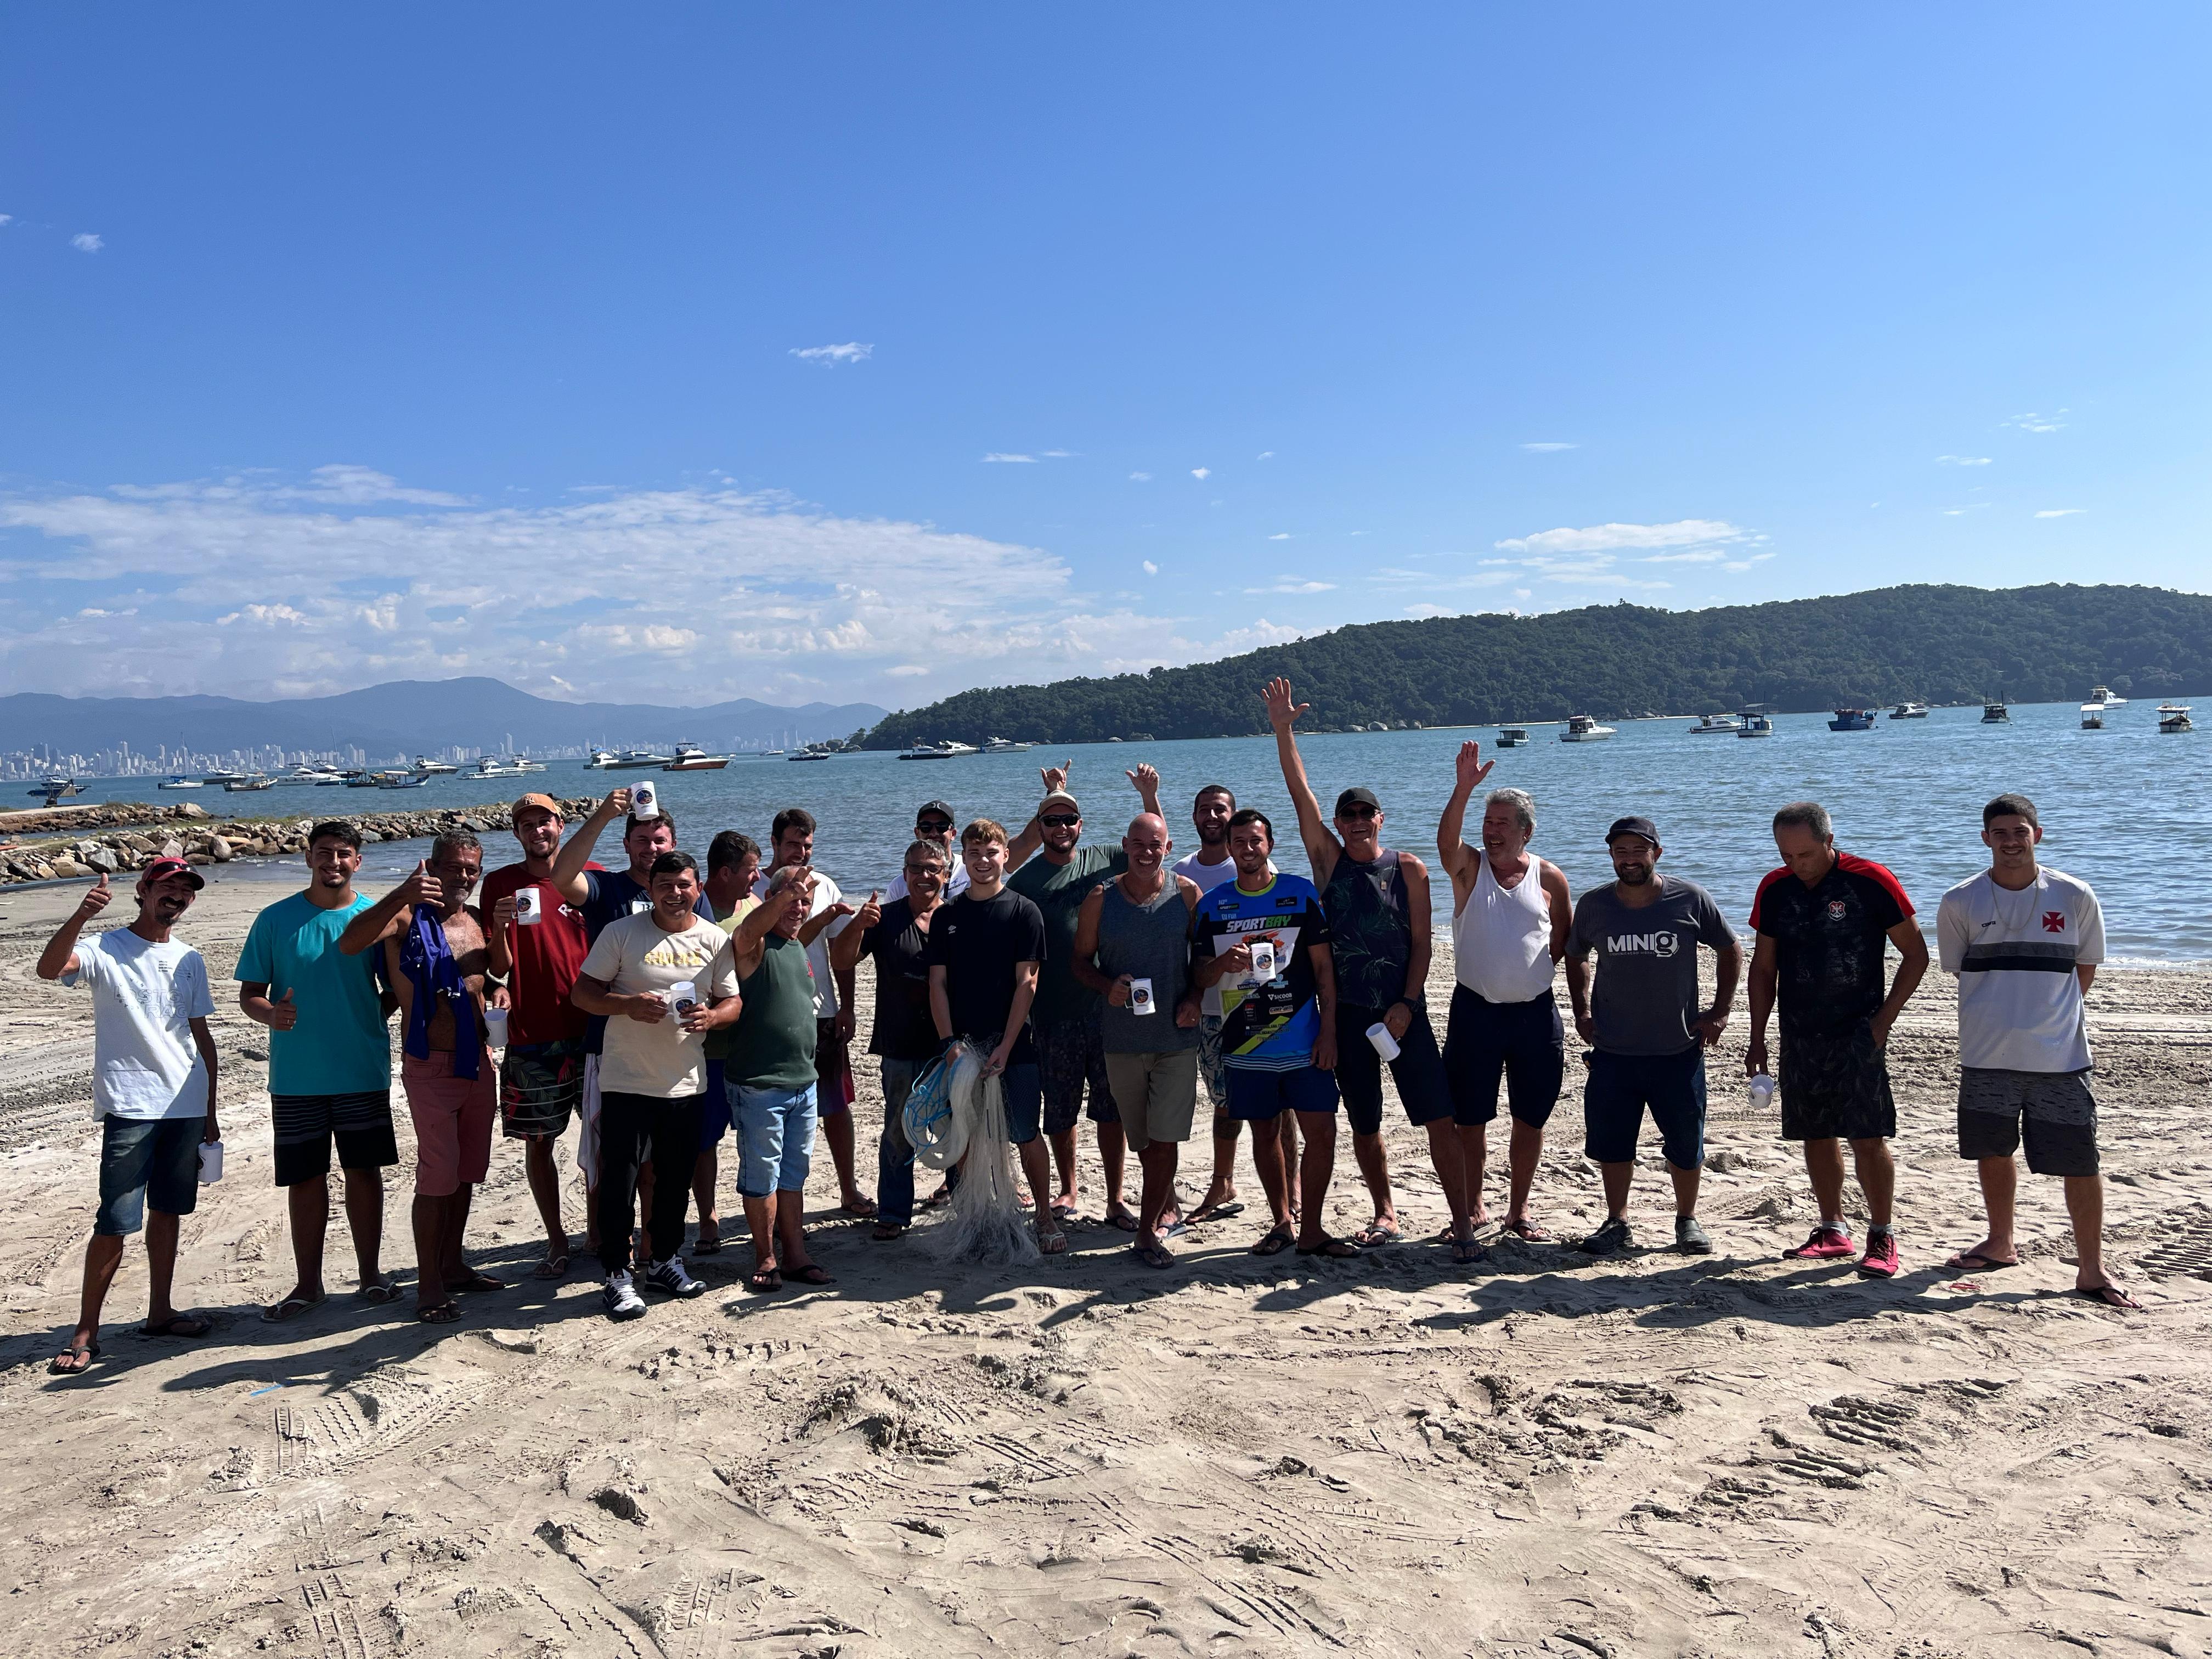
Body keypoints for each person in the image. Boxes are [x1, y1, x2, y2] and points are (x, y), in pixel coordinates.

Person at [1263, 676, 1449, 1250]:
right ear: (1340, 824)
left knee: (1437, 1115)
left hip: (1404, 1012)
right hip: (1346, 1017)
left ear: (1381, 819)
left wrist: (1407, 1005)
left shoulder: (1409, 869)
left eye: (1368, 812)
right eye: (1350, 815)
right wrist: (1282, 731)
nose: (1359, 820)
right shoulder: (1328, 862)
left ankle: (1464, 1214)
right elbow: (1301, 796)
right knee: (1365, 1123)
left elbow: (1423, 944)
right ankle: (1385, 1212)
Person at [1936, 793, 2135, 1309]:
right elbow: (1960, 970)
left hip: (2060, 1058)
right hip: (1986, 1055)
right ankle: (2001, 1242)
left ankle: (2090, 1268)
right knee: (1993, 1151)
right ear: (1985, 838)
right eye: (1999, 833)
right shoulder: (1961, 900)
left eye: (2019, 831)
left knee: (2080, 1160)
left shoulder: (2073, 895)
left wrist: (2047, 1015)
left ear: (2037, 835)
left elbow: (2084, 968)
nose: (2010, 841)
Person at [37, 861, 220, 1374]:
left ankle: (160, 1312)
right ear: (143, 891)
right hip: (131, 1104)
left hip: (185, 1103)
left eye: (185, 891)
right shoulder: (105, 947)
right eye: (167, 887)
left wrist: (210, 1110)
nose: (177, 896)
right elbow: (50, 969)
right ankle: (86, 1331)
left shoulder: (190, 957)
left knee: (169, 1212)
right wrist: (80, 915)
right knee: (115, 1221)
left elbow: (199, 1035)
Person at [1745, 802, 1928, 1278]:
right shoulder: (1775, 887)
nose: (1795, 865)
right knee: (1815, 1131)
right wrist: (1759, 1036)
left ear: (1830, 841)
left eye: (1805, 854)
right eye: (1786, 855)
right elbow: (1764, 968)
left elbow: (1916, 955)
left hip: (1858, 1029)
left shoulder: (1869, 880)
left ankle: (1882, 1235)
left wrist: (1884, 1020)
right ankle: (1832, 1229)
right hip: (1800, 1030)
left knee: (1868, 1134)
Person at [238, 820, 401, 1319]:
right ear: (308, 858)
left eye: (344, 854)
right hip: (296, 1076)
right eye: (325, 853)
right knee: (305, 1179)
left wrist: (375, 1012)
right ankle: (308, 1284)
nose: (334, 862)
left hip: (360, 1068)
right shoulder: (275, 919)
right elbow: (249, 994)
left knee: (363, 1172)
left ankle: (371, 1276)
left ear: (358, 862)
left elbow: (398, 984)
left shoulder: (377, 917)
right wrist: (271, 1014)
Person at [340, 831, 504, 1322]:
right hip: (430, 1063)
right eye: (453, 868)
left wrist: (499, 993)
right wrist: (401, 893)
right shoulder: (405, 916)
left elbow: (483, 977)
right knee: (436, 1177)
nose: (463, 877)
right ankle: (428, 1285)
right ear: (432, 867)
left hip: (478, 1062)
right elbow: (350, 943)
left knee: (466, 1172)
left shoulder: (474, 922)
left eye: (472, 869)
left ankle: (453, 1265)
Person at [571, 850, 741, 1319]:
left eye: (684, 884)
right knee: (619, 1181)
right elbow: (582, 993)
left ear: (698, 888)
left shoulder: (713, 939)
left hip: (685, 1082)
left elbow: (733, 1002)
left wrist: (712, 1017)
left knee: (674, 1180)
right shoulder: (621, 933)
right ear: (650, 889)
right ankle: (616, 1274)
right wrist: (625, 1005)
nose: (675, 893)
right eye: (664, 885)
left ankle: (665, 1260)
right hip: (626, 1080)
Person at [1562, 816, 1741, 1257]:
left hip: (1677, 1050)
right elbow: (1575, 954)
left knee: (1685, 1143)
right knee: (1613, 1142)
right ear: (1611, 856)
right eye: (1621, 852)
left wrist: (1719, 1012)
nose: (1629, 860)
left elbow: (1730, 948)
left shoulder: (1690, 899)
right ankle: (1617, 1222)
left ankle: (1687, 1220)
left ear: (1656, 854)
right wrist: (1582, 1010)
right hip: (1613, 1051)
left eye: (1638, 851)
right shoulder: (1595, 905)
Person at [549, 788, 715, 1256]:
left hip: (674, 1052)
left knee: (664, 1160)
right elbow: (562, 876)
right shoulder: (609, 889)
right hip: (612, 1044)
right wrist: (603, 814)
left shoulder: (688, 897)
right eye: (641, 840)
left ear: (673, 843)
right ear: (627, 845)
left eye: (660, 840)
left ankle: (654, 1243)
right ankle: (607, 1242)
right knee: (614, 1154)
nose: (651, 849)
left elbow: (709, 960)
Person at [1190, 808, 1357, 1258]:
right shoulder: (1212, 905)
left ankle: (1314, 1229)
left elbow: (1325, 970)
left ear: (1271, 845)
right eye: (1239, 842)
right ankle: (1281, 1223)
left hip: (1304, 1040)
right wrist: (1222, 964)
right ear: (1229, 848)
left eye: (1255, 841)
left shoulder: (1300, 894)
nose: (1248, 849)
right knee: (1264, 1135)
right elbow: (1200, 977)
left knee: (1321, 1134)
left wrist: (1330, 1033)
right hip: (1245, 1043)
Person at [1005, 761, 1165, 1227]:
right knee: (1060, 1108)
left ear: (1081, 826)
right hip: (1052, 1012)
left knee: (1110, 1107)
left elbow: (1156, 850)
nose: (1060, 828)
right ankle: (1070, 1189)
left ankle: (1116, 1198)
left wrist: (1149, 797)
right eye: (1050, 821)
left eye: (1068, 820)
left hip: (1109, 1008)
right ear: (1040, 828)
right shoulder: (1026, 882)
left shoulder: (1106, 859)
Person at [1436, 749, 1573, 1253]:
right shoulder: (1470, 869)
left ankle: (1519, 1209)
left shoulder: (1549, 877)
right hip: (1476, 1013)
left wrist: (1530, 976)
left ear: (1525, 832)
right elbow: (1446, 844)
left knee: (1530, 1118)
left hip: (1535, 1016)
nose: (1492, 830)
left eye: (1502, 823)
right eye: (1487, 822)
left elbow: (1562, 942)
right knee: (1470, 1118)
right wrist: (1463, 789)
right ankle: (1472, 1207)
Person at [1070, 814, 1203, 1267]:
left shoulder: (1186, 894)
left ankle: (1147, 1235)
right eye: (1139, 844)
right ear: (1125, 845)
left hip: (1176, 1038)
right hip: (1122, 1040)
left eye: (1157, 844)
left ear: (1169, 848)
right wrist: (1107, 986)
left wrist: (1197, 996)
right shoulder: (1100, 899)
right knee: (1143, 1140)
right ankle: (1163, 1206)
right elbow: (1080, 963)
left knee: (1166, 1140)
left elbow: (1203, 958)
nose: (1147, 852)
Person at [926, 819, 1058, 1251]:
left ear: (1006, 856)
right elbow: (937, 985)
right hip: (961, 1048)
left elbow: (1029, 984)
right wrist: (950, 1044)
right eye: (974, 853)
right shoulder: (946, 916)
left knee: (1025, 1132)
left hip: (1015, 1048)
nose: (983, 861)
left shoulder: (1024, 911)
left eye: (992, 852)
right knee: (967, 1134)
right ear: (962, 858)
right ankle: (976, 1215)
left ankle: (1043, 1217)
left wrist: (1004, 1045)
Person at [483, 794, 597, 1277]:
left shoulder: (589, 876)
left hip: (593, 1030)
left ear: (561, 824)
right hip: (533, 1037)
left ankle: (601, 1230)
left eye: (545, 822)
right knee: (540, 1143)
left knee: (602, 1143)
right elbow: (497, 968)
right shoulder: (500, 884)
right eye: (527, 824)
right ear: (517, 833)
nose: (538, 831)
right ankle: (556, 1239)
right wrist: (498, 926)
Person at [722, 864, 842, 1292]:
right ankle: (765, 1255)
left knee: (794, 1174)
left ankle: (795, 1253)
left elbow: (802, 933)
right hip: (759, 1085)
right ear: (773, 900)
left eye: (805, 901)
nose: (799, 907)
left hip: (802, 1084)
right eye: (792, 899)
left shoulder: (795, 945)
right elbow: (746, 933)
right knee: (762, 1175)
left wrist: (821, 916)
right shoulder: (753, 945)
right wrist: (782, 897)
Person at [755, 808, 874, 1217]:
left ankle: (848, 1188)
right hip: (769, 1015)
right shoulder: (757, 887)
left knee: (836, 1104)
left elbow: (841, 954)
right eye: (793, 844)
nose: (801, 853)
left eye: (807, 846)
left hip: (821, 1011)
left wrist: (846, 1007)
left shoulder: (824, 885)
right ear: (774, 843)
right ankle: (775, 1203)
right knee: (774, 1114)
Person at [832, 840, 952, 1241]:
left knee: (957, 1126)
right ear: (905, 874)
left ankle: (964, 1204)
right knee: (899, 1129)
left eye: (933, 868)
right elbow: (843, 961)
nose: (924, 876)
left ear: (947, 874)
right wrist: (857, 924)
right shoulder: (885, 918)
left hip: (950, 1042)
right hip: (899, 1041)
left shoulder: (959, 918)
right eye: (916, 869)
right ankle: (896, 1211)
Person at [1175, 783, 1281, 1227]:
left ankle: (1287, 1191)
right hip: (1210, 1007)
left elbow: (1281, 939)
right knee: (1223, 1100)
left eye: (1221, 810)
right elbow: (1184, 947)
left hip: (1257, 1004)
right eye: (1205, 810)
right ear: (1196, 817)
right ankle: (1223, 1181)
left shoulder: (1260, 868)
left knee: (1277, 1105)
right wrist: (1194, 996)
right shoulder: (1182, 870)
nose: (1212, 817)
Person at [693, 830, 763, 1253]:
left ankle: (759, 1214)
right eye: (751, 871)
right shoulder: (695, 911)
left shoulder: (753, 907)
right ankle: (708, 1218)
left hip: (750, 1049)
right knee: (704, 1142)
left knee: (755, 1139)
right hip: (708, 1053)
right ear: (725, 872)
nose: (757, 879)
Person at [885, 801, 968, 903]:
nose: (934, 833)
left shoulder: (969, 872)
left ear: (953, 834)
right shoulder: (899, 886)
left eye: (942, 826)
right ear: (917, 833)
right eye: (926, 827)